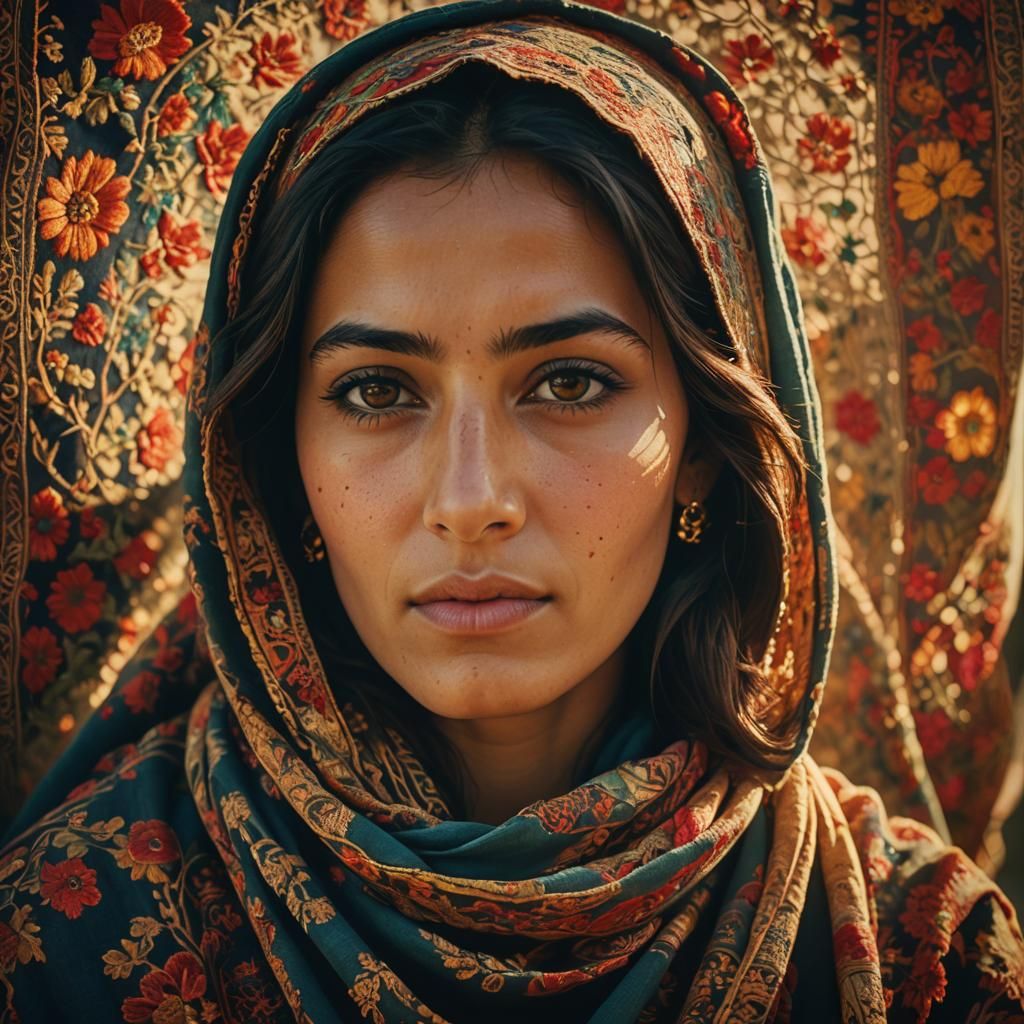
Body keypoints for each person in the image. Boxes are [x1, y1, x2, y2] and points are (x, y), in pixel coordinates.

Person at [1, 1, 1021, 1020]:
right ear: (277, 466)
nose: (470, 500)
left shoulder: (926, 956)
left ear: (706, 449)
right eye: (376, 391)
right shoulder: (70, 943)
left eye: (569, 384)